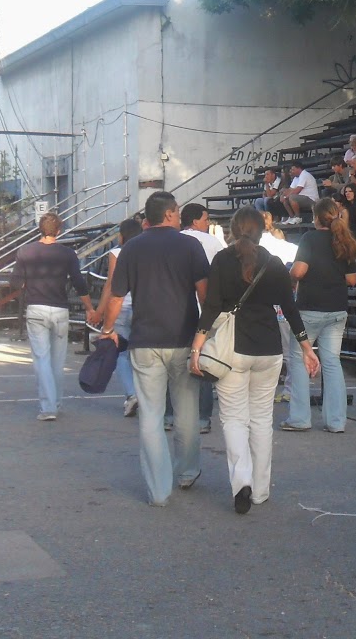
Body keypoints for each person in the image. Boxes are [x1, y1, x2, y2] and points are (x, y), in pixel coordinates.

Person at [191, 207, 319, 514]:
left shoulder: (222, 260)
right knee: (262, 420)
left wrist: (197, 345)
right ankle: (261, 490)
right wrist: (306, 347)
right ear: (262, 230)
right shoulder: (273, 263)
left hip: (233, 349)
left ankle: (242, 483)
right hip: (269, 348)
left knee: (234, 419)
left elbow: (211, 305)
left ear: (233, 229)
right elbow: (289, 308)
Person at [99, 191, 210, 506]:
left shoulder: (131, 248)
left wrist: (108, 330)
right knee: (186, 410)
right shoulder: (190, 245)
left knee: (151, 414)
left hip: (144, 340)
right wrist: (206, 333)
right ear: (171, 214)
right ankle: (186, 471)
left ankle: (159, 490)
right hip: (184, 338)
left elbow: (117, 298)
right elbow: (205, 293)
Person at [282, 197, 356, 433]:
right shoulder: (345, 240)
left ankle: (300, 418)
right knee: (332, 362)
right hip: (337, 308)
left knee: (299, 359)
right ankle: (336, 421)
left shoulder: (309, 238)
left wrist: (290, 275)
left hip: (310, 307)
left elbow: (299, 271)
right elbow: (352, 279)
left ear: (316, 218)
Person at [9, 211, 93, 421]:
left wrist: (27, 283)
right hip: (60, 309)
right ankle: (56, 402)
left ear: (40, 229)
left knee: (42, 359)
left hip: (36, 308)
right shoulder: (67, 254)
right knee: (58, 360)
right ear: (59, 230)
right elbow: (78, 282)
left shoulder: (25, 251)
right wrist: (90, 308)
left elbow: (14, 282)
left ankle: (47, 407)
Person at [89, 217, 142, 417]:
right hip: (142, 308)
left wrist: (100, 312)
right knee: (141, 354)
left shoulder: (117, 253)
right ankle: (146, 394)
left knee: (121, 354)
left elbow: (111, 285)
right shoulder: (145, 251)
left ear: (122, 236)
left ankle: (131, 394)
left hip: (120, 308)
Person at [182, 202, 224, 433]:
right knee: (202, 362)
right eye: (206, 219)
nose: (208, 223)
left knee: (175, 365)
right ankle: (202, 417)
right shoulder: (211, 242)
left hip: (178, 311)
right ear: (195, 220)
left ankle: (170, 415)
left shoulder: (176, 240)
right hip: (206, 310)